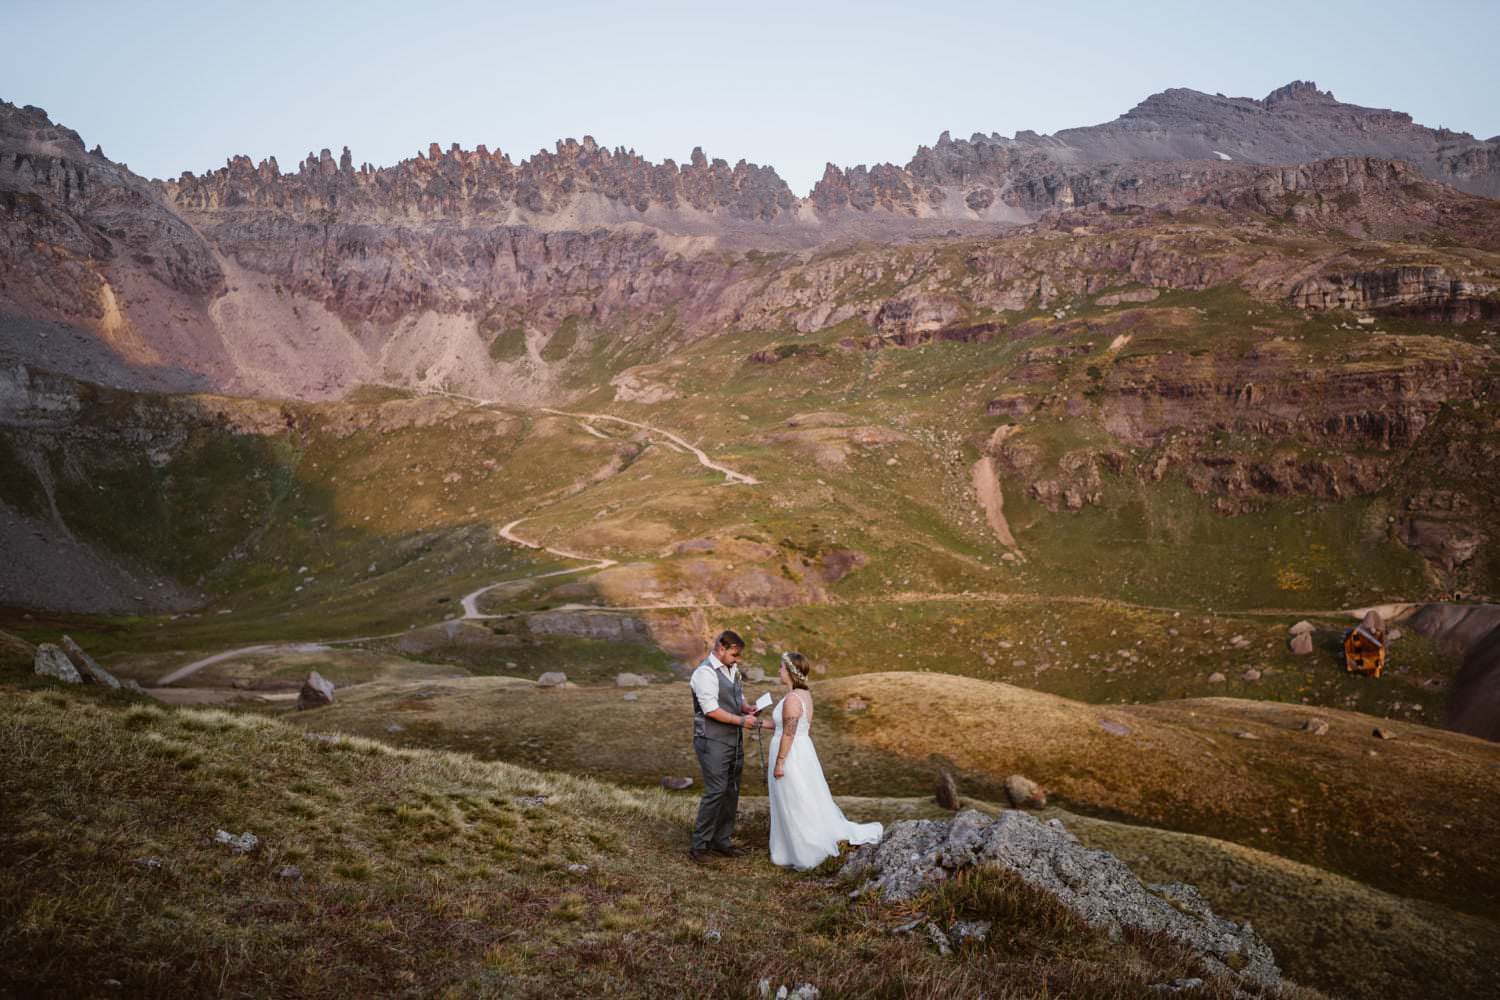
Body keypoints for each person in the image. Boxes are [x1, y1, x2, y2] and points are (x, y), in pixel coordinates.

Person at [767, 651, 882, 870]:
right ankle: (790, 846)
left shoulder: (792, 698)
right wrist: (757, 724)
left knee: (795, 799)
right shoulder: (803, 694)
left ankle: (805, 850)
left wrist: (780, 761)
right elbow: (785, 725)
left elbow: (789, 733)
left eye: (781, 667)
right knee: (801, 797)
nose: (778, 671)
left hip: (791, 753)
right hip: (801, 750)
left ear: (790, 672)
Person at [688, 629, 772, 864]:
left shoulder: (732, 669)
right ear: (721, 649)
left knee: (731, 790)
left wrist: (747, 708)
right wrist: (742, 722)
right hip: (711, 740)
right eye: (735, 655)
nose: (738, 660)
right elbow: (711, 710)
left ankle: (721, 841)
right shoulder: (704, 673)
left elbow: (737, 697)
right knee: (716, 791)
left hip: (732, 740)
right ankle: (699, 846)